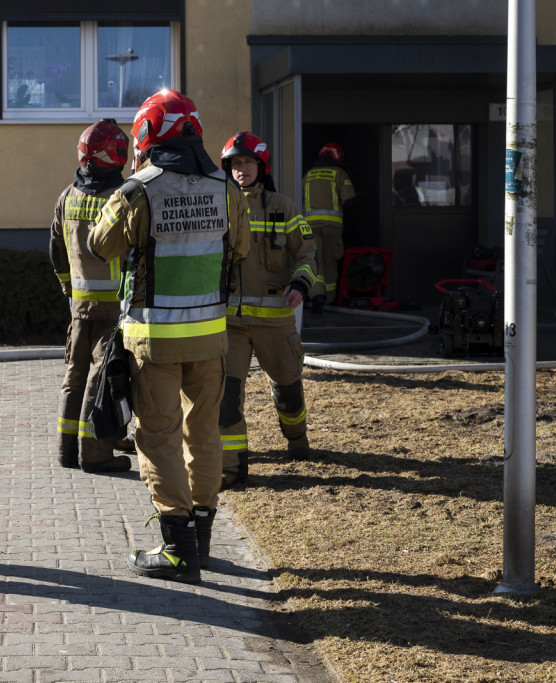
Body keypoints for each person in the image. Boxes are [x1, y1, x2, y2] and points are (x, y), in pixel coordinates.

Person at [88, 89, 250, 583]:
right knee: (202, 434)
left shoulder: (138, 190)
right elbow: (240, 248)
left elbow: (101, 245)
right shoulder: (227, 189)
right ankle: (200, 538)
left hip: (154, 341)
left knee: (157, 439)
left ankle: (177, 549)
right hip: (210, 339)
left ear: (146, 135)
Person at [219, 132, 317, 492]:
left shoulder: (283, 207)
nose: (241, 170)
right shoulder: (218, 205)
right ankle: (232, 468)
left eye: (247, 163)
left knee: (289, 392)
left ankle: (297, 439)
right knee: (226, 398)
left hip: (275, 322)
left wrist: (300, 284)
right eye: (234, 164)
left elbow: (307, 252)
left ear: (261, 166)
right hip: (230, 324)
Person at [49, 119, 134, 474]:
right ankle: (95, 454)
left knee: (75, 377)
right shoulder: (123, 197)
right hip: (114, 309)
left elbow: (56, 250)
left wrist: (69, 289)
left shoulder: (67, 196)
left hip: (80, 307)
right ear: (115, 154)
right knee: (101, 380)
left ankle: (67, 451)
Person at [303, 142, 355, 310]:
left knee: (315, 261)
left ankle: (317, 295)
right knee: (330, 261)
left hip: (310, 226)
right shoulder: (339, 174)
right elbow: (350, 199)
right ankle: (330, 300)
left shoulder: (308, 175)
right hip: (332, 228)